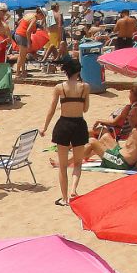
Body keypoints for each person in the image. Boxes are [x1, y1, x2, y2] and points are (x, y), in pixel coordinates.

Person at [41, 55, 92, 206]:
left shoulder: (59, 88)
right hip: (79, 124)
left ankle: (64, 199)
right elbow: (86, 109)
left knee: (62, 166)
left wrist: (44, 127)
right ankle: (74, 190)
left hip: (63, 125)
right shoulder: (85, 87)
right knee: (77, 163)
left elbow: (51, 110)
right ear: (78, 72)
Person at [85, 84, 137, 170]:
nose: (129, 117)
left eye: (130, 93)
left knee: (92, 139)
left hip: (121, 156)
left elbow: (113, 122)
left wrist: (99, 120)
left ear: (134, 96)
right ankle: (88, 154)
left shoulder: (130, 110)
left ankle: (71, 160)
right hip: (124, 147)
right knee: (104, 137)